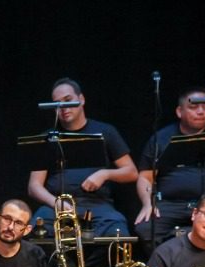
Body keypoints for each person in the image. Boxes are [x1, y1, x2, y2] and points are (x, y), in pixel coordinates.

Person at [28, 78, 138, 243]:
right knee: (35, 234)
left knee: (118, 234)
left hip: (97, 205)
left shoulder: (105, 131)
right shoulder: (48, 138)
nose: (63, 108)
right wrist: (56, 203)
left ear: (81, 99)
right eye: (57, 104)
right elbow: (34, 186)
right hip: (56, 206)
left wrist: (104, 174)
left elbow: (131, 172)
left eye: (68, 100)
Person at [136, 87, 205, 247]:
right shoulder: (161, 138)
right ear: (179, 111)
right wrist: (148, 203)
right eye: (194, 107)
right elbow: (145, 177)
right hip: (171, 204)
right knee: (145, 229)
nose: (201, 112)